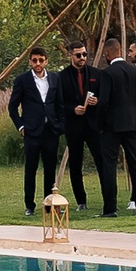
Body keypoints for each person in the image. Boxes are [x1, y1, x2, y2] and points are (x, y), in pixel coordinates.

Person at [52, 42, 110, 211]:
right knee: (76, 165)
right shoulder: (61, 77)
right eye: (78, 55)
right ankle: (81, 201)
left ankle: (107, 198)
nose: (82, 58)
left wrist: (97, 101)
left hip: (93, 125)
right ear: (70, 55)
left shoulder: (96, 74)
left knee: (101, 162)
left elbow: (104, 98)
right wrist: (72, 109)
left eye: (84, 54)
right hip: (74, 126)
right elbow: (59, 103)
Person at [9, 47, 64, 215]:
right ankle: (29, 206)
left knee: (49, 169)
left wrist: (60, 125)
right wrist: (21, 126)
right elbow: (12, 107)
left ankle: (50, 204)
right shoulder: (22, 80)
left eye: (41, 60)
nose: (38, 63)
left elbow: (60, 103)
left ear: (46, 61)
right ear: (30, 62)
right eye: (35, 60)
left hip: (50, 131)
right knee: (30, 169)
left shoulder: (55, 78)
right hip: (31, 131)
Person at [100, 37, 136, 218]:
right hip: (133, 124)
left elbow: (103, 102)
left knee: (109, 166)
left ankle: (110, 208)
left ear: (108, 53)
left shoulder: (107, 73)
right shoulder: (135, 72)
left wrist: (100, 124)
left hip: (112, 126)